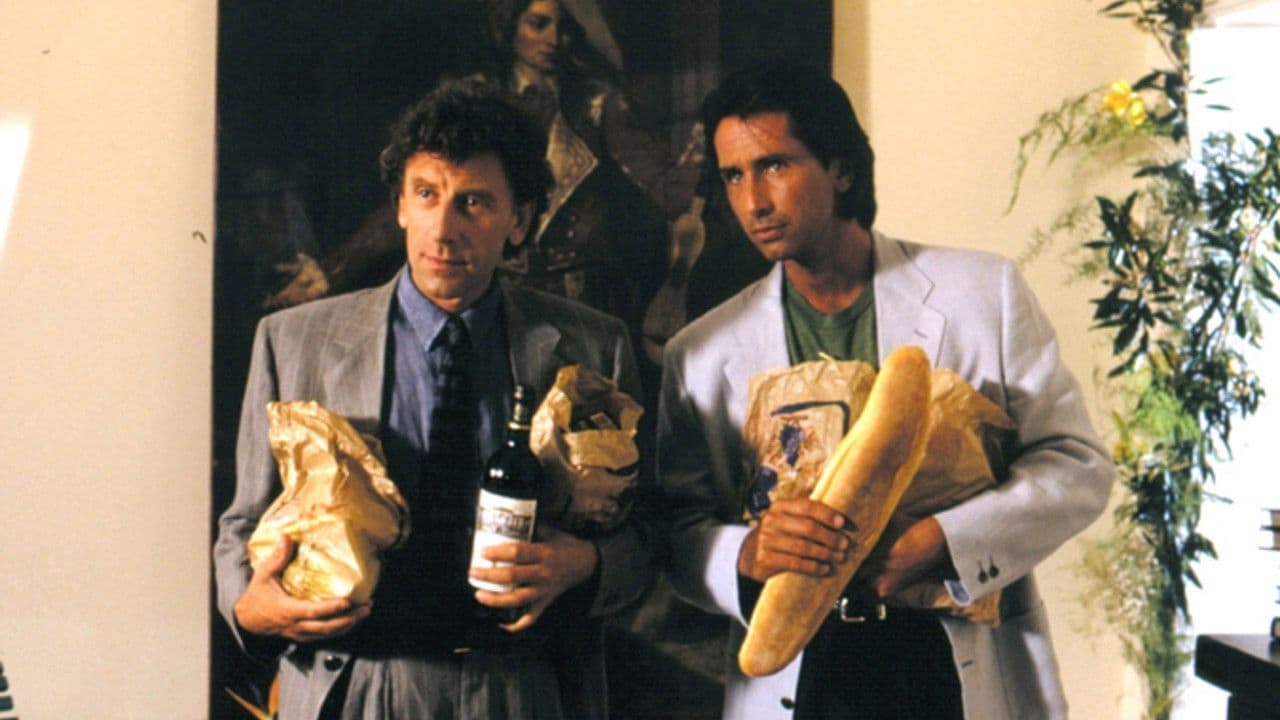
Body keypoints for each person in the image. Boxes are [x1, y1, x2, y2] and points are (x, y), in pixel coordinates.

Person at [656, 62, 1114, 720]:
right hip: (799, 680)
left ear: (841, 168)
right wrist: (748, 553)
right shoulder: (699, 353)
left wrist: (946, 541)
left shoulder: (985, 295)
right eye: (733, 175)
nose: (753, 201)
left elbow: (1078, 467)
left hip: (954, 663)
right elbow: (674, 534)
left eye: (775, 165)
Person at [214, 80, 653, 719]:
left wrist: (587, 562)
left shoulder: (595, 346)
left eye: (474, 202)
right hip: (354, 687)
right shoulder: (292, 342)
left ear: (520, 221)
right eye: (426, 194)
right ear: (400, 205)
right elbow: (242, 526)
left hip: (523, 689)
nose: (444, 230)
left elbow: (645, 537)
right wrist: (248, 607)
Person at [268, 0, 704, 371]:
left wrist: (704, 144)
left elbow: (668, 193)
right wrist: (331, 271)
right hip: (491, 302)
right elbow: (419, 200)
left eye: (565, 28)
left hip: (582, 303)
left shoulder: (598, 104)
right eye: (538, 23)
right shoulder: (474, 97)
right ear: (510, 24)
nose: (553, 39)